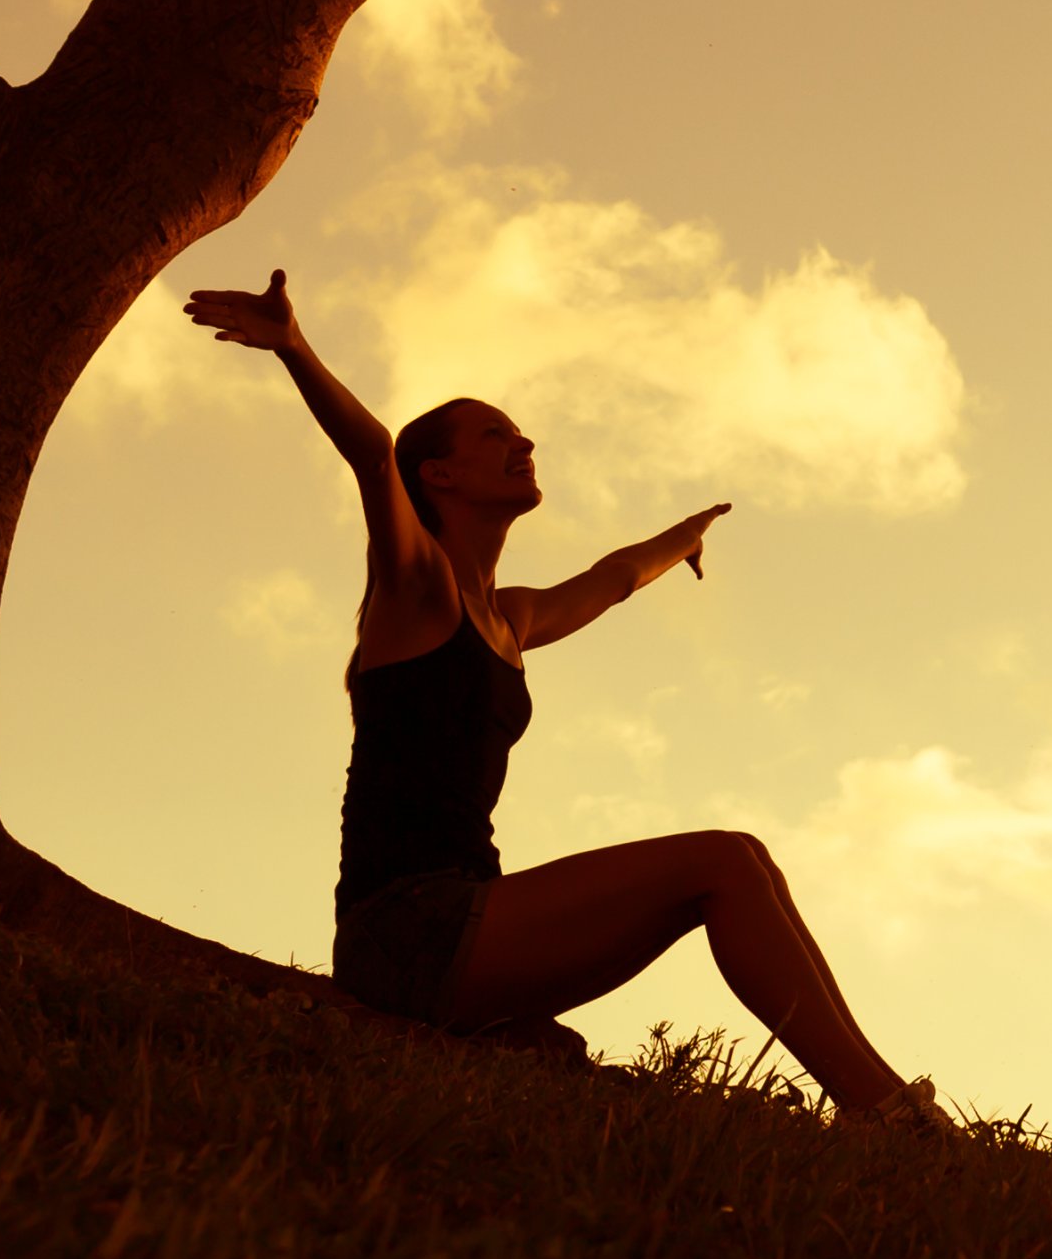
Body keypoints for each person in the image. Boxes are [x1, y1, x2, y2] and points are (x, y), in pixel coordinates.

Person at [183, 267, 932, 1120]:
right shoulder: (416, 589)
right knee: (722, 859)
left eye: (522, 433)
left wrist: (678, 539)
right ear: (438, 476)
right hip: (410, 929)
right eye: (495, 435)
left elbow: (608, 580)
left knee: (745, 861)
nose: (524, 443)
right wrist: (295, 348)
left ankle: (888, 1104)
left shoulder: (510, 616)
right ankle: (887, 1113)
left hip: (467, 914)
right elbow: (370, 450)